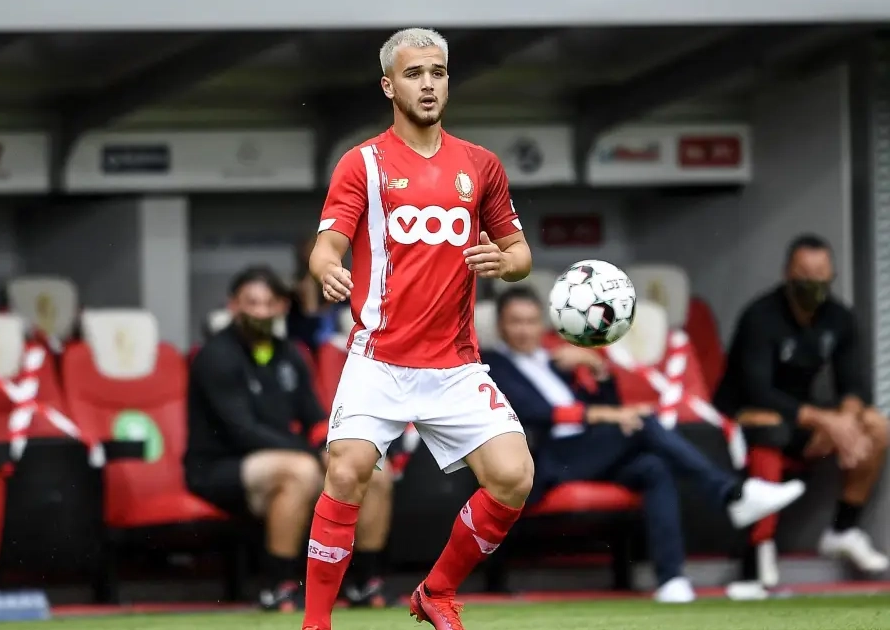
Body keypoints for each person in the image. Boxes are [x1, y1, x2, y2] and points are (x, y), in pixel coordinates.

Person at [304, 27, 536, 630]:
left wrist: (505, 262)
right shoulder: (363, 163)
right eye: (414, 74)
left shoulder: (480, 165)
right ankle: (315, 624)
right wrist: (329, 269)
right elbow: (327, 245)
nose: (428, 84)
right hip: (379, 358)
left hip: (454, 364)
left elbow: (519, 253)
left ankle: (436, 591)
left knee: (514, 477)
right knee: (346, 470)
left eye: (438, 73)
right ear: (389, 86)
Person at [485, 287, 805, 602]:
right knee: (643, 423)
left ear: (541, 324)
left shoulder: (556, 361)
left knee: (654, 468)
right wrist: (604, 415)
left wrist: (597, 368)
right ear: (500, 325)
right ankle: (732, 493)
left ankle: (672, 579)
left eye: (531, 321)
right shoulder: (493, 364)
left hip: (591, 450)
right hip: (550, 458)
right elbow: (531, 411)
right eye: (515, 322)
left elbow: (609, 405)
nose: (524, 330)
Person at [184, 266, 395, 611]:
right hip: (219, 467)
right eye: (252, 303)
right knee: (301, 472)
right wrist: (313, 454)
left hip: (284, 456)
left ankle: (365, 584)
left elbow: (314, 417)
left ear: (282, 307)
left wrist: (331, 449)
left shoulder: (290, 353)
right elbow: (242, 431)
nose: (261, 311)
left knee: (372, 472)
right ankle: (278, 586)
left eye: (270, 303)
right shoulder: (216, 356)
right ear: (234, 305)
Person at [715, 234, 890, 573]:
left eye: (820, 276)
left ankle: (843, 530)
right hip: (742, 421)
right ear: (787, 274)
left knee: (875, 425)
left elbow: (855, 385)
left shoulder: (839, 318)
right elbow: (757, 391)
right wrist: (827, 421)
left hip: (800, 422)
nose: (812, 285)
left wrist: (846, 423)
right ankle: (759, 544)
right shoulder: (760, 316)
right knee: (768, 423)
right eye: (804, 276)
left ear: (832, 276)